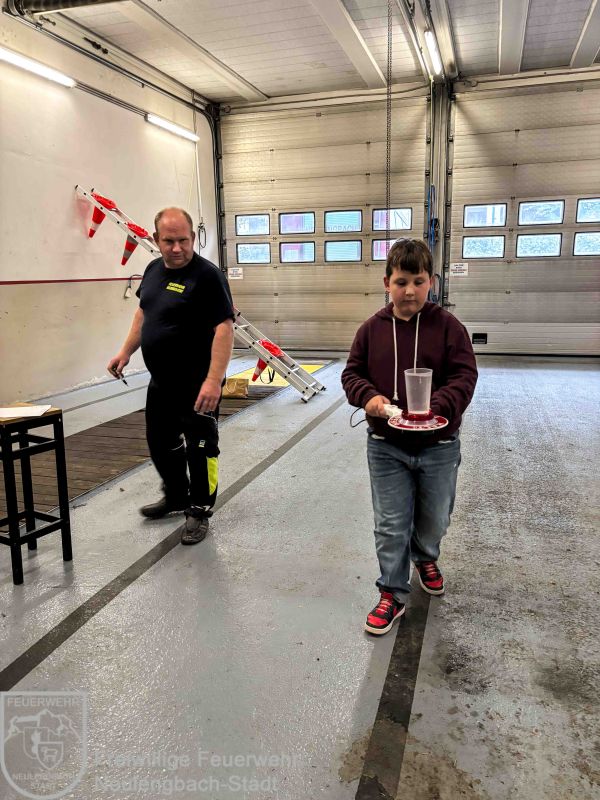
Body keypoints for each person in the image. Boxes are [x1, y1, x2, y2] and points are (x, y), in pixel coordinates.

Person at [341, 238, 477, 635]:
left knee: (435, 519)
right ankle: (392, 592)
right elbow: (351, 374)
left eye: (418, 281)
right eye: (401, 282)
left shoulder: (449, 328)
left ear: (431, 281)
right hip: (387, 447)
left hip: (439, 446)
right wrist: (368, 397)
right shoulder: (371, 330)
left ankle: (425, 555)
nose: (410, 291)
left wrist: (438, 406)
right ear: (387, 283)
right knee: (390, 524)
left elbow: (465, 376)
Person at [107, 208, 234, 545]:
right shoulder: (152, 270)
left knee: (202, 449)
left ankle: (199, 509)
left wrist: (213, 381)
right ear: (156, 239)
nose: (177, 248)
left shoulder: (207, 276)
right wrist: (125, 351)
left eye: (183, 240)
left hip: (198, 384)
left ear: (192, 238)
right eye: (169, 241)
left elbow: (224, 329)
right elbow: (143, 313)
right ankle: (177, 495)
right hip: (162, 382)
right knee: (160, 443)